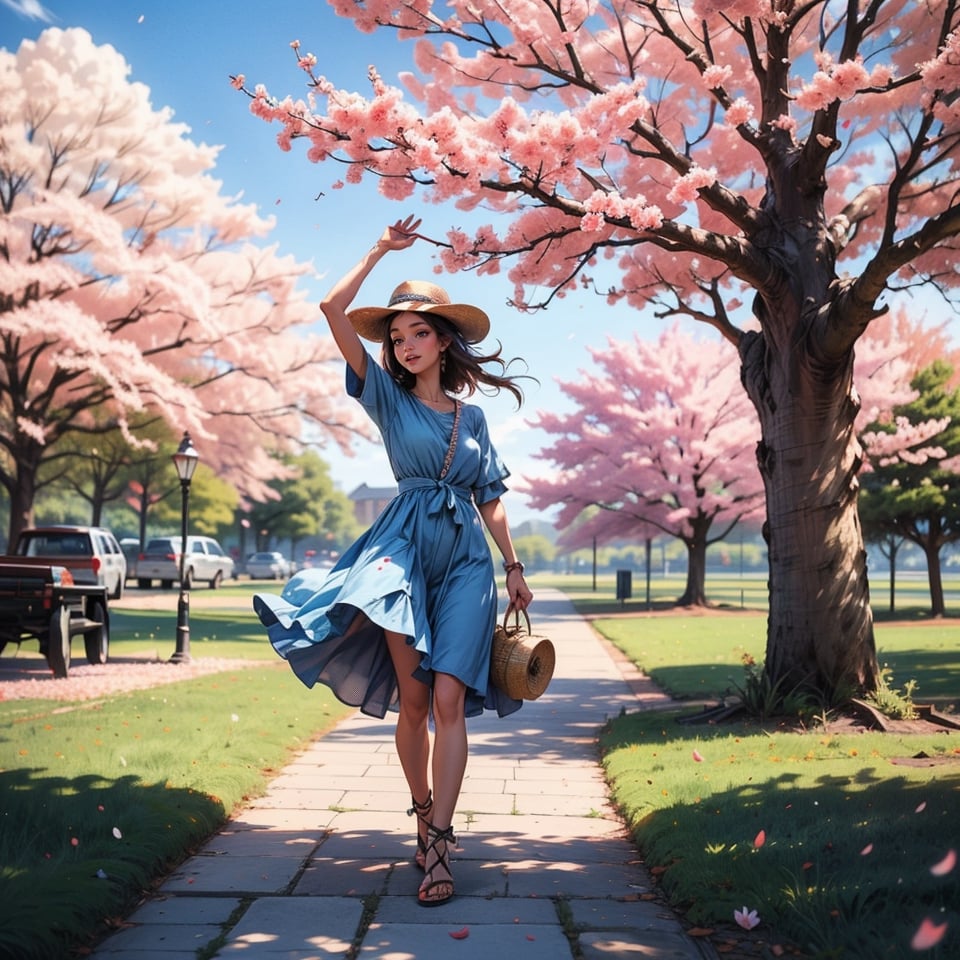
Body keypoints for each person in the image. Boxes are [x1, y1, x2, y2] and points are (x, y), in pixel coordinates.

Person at [252, 215, 534, 908]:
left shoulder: (474, 419)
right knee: (413, 701)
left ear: (444, 341)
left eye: (419, 333)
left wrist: (514, 565)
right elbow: (331, 310)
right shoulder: (383, 397)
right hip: (401, 552)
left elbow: (491, 497)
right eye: (397, 336)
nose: (405, 345)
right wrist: (379, 248)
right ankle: (421, 809)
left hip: (467, 558)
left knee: (448, 699)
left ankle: (440, 842)